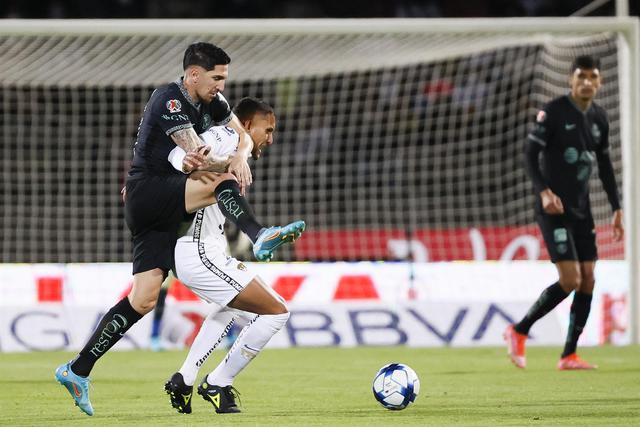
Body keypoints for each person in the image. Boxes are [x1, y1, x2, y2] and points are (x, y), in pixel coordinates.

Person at [55, 42, 304, 416]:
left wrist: (238, 152)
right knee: (218, 177)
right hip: (149, 192)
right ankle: (258, 234)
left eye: (224, 78)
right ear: (193, 74)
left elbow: (237, 127)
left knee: (143, 300)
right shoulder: (170, 100)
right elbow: (198, 155)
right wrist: (229, 162)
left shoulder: (213, 103)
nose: (221, 85)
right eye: (216, 77)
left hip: (163, 209)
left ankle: (77, 369)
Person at [163, 97, 293, 414]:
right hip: (196, 249)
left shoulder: (238, 148)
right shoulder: (223, 136)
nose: (271, 138)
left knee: (230, 309)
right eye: (268, 129)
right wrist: (198, 162)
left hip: (204, 248)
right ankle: (218, 382)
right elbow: (177, 153)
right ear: (247, 126)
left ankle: (185, 377)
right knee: (276, 312)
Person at [504, 55, 624, 370]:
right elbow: (530, 154)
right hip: (553, 209)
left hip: (582, 211)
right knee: (570, 279)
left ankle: (568, 354)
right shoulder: (554, 112)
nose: (587, 82)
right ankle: (518, 330)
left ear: (600, 81)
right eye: (581, 76)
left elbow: (605, 166)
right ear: (571, 80)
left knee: (588, 279)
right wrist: (544, 192)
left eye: (593, 77)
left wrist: (617, 208)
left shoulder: (599, 117)